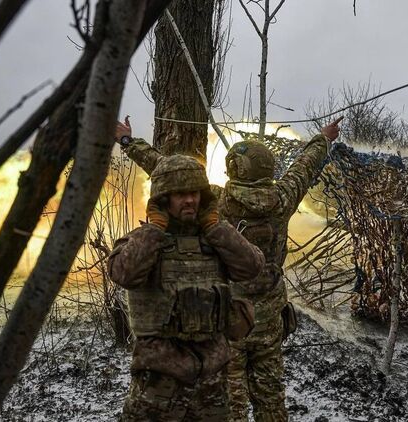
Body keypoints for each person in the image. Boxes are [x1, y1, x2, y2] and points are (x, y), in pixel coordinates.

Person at [116, 116, 342, 422]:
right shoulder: (284, 198)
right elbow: (305, 166)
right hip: (270, 319)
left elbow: (166, 170)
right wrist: (324, 138)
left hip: (230, 317)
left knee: (232, 402)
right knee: (271, 398)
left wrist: (129, 142)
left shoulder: (218, 200)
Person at [108, 152, 265, 421]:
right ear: (163, 198)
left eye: (194, 192)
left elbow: (251, 267)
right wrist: (155, 230)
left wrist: (216, 228)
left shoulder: (216, 239)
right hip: (159, 381)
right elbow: (124, 272)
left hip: (212, 380)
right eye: (180, 193)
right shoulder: (145, 240)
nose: (190, 199)